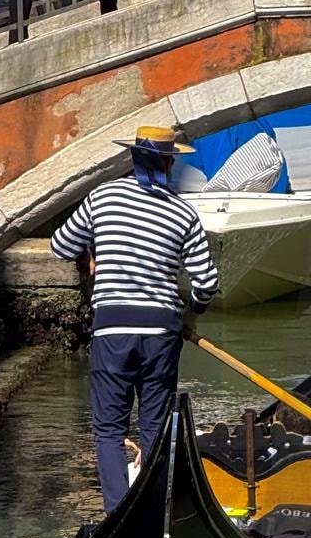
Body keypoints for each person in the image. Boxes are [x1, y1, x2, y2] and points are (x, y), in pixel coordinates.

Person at [49, 124, 219, 512]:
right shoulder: (183, 212)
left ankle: (117, 513)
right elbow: (207, 282)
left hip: (112, 328)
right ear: (169, 163)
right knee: (155, 428)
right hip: (162, 330)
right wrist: (192, 315)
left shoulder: (102, 197)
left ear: (133, 158)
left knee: (109, 430)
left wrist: (92, 251)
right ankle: (153, 510)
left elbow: (61, 245)